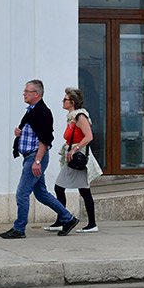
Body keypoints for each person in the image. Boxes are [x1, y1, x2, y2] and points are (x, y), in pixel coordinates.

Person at [1, 79, 79, 238]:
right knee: (41, 193)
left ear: (36, 94)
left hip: (35, 158)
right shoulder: (32, 110)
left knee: (22, 193)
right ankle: (68, 218)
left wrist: (37, 161)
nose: (24, 93)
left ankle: (19, 229)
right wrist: (20, 132)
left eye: (27, 91)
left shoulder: (43, 112)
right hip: (30, 157)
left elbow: (45, 139)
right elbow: (34, 132)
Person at [45, 86, 99, 233]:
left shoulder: (80, 117)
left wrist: (74, 149)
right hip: (72, 157)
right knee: (80, 190)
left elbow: (89, 137)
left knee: (63, 188)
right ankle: (64, 221)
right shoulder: (72, 117)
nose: (63, 101)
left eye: (65, 99)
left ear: (73, 102)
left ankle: (89, 224)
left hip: (78, 158)